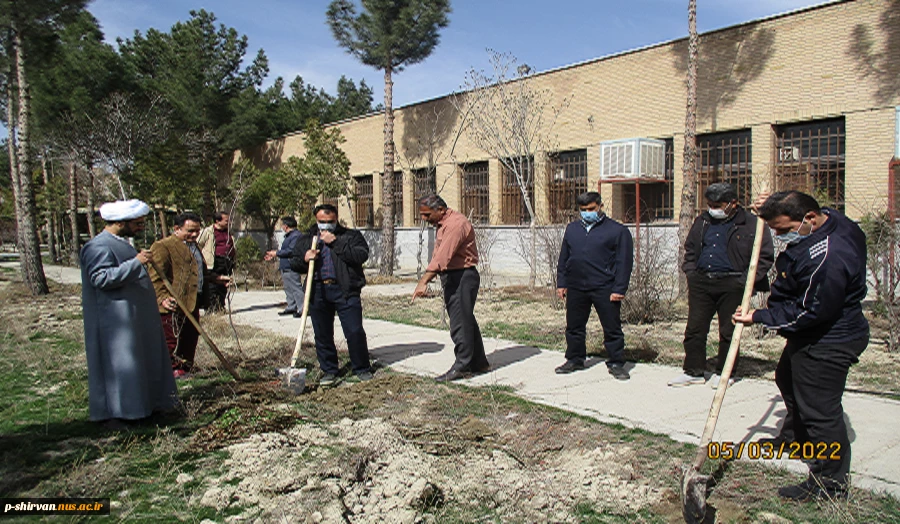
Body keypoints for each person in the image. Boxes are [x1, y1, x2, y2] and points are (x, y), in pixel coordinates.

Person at [733, 190, 868, 501]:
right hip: (814, 332)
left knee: (820, 410)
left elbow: (810, 311)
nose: (779, 235)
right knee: (788, 380)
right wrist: (769, 208)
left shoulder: (828, 258)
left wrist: (759, 316)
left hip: (829, 337)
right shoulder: (832, 218)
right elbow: (796, 205)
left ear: (809, 219)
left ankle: (829, 484)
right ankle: (795, 440)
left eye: (783, 229)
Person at [80, 199, 178, 429]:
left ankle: (144, 407)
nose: (141, 227)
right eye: (137, 223)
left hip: (134, 319)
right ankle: (120, 414)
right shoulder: (98, 246)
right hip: (114, 322)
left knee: (141, 364)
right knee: (122, 367)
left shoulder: (120, 243)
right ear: (120, 222)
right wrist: (136, 263)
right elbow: (101, 278)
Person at [669, 182, 774, 388]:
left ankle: (725, 372)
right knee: (695, 329)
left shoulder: (752, 223)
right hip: (702, 282)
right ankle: (693, 370)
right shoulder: (703, 221)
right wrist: (691, 272)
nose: (713, 208)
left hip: (733, 284)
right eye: (710, 204)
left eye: (718, 204)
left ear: (732, 204)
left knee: (729, 330)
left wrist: (745, 281)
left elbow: (765, 257)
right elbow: (690, 248)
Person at [290, 204, 374, 386]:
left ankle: (362, 368)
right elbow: (294, 262)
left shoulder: (350, 236)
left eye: (330, 222)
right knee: (322, 333)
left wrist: (335, 242)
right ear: (316, 220)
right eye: (322, 222)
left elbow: (361, 256)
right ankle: (329, 369)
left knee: (354, 331)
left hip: (345, 290)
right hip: (318, 291)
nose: (326, 225)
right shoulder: (307, 239)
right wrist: (305, 259)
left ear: (336, 219)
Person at [555, 191, 633, 380]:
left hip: (604, 287)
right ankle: (575, 358)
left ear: (600, 206)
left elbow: (624, 262)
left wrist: (619, 288)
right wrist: (562, 283)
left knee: (611, 327)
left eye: (591, 209)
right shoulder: (572, 229)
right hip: (577, 286)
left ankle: (616, 362)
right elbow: (564, 257)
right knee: (574, 326)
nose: (587, 213)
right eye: (583, 210)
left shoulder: (617, 231)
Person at [412, 194, 490, 382]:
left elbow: (442, 258)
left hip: (462, 277)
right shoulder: (442, 224)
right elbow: (438, 255)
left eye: (427, 214)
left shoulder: (456, 224)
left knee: (459, 323)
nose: (424, 219)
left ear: (440, 210)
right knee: (466, 320)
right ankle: (479, 363)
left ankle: (462, 365)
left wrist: (424, 281)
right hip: (455, 276)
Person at [151, 212, 227, 379]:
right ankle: (168, 371)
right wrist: (162, 297)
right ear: (176, 229)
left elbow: (197, 272)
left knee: (190, 336)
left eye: (197, 231)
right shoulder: (163, 247)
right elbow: (154, 277)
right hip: (173, 302)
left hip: (191, 300)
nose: (194, 234)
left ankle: (184, 368)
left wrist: (215, 279)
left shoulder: (193, 246)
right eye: (190, 230)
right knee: (171, 339)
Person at [266, 216, 305, 317]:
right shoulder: (289, 236)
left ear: (286, 226)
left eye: (282, 225)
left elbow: (291, 250)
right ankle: (291, 306)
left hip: (291, 265)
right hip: (285, 266)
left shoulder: (296, 236)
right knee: (288, 288)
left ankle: (302, 308)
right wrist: (274, 255)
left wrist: (277, 253)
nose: (282, 227)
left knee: (296, 288)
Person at [197, 211, 235, 313]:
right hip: (214, 262)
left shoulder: (228, 232)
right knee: (212, 285)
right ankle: (211, 308)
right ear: (217, 221)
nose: (229, 222)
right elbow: (197, 244)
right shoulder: (208, 231)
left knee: (224, 284)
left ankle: (220, 306)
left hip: (226, 262)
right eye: (226, 220)